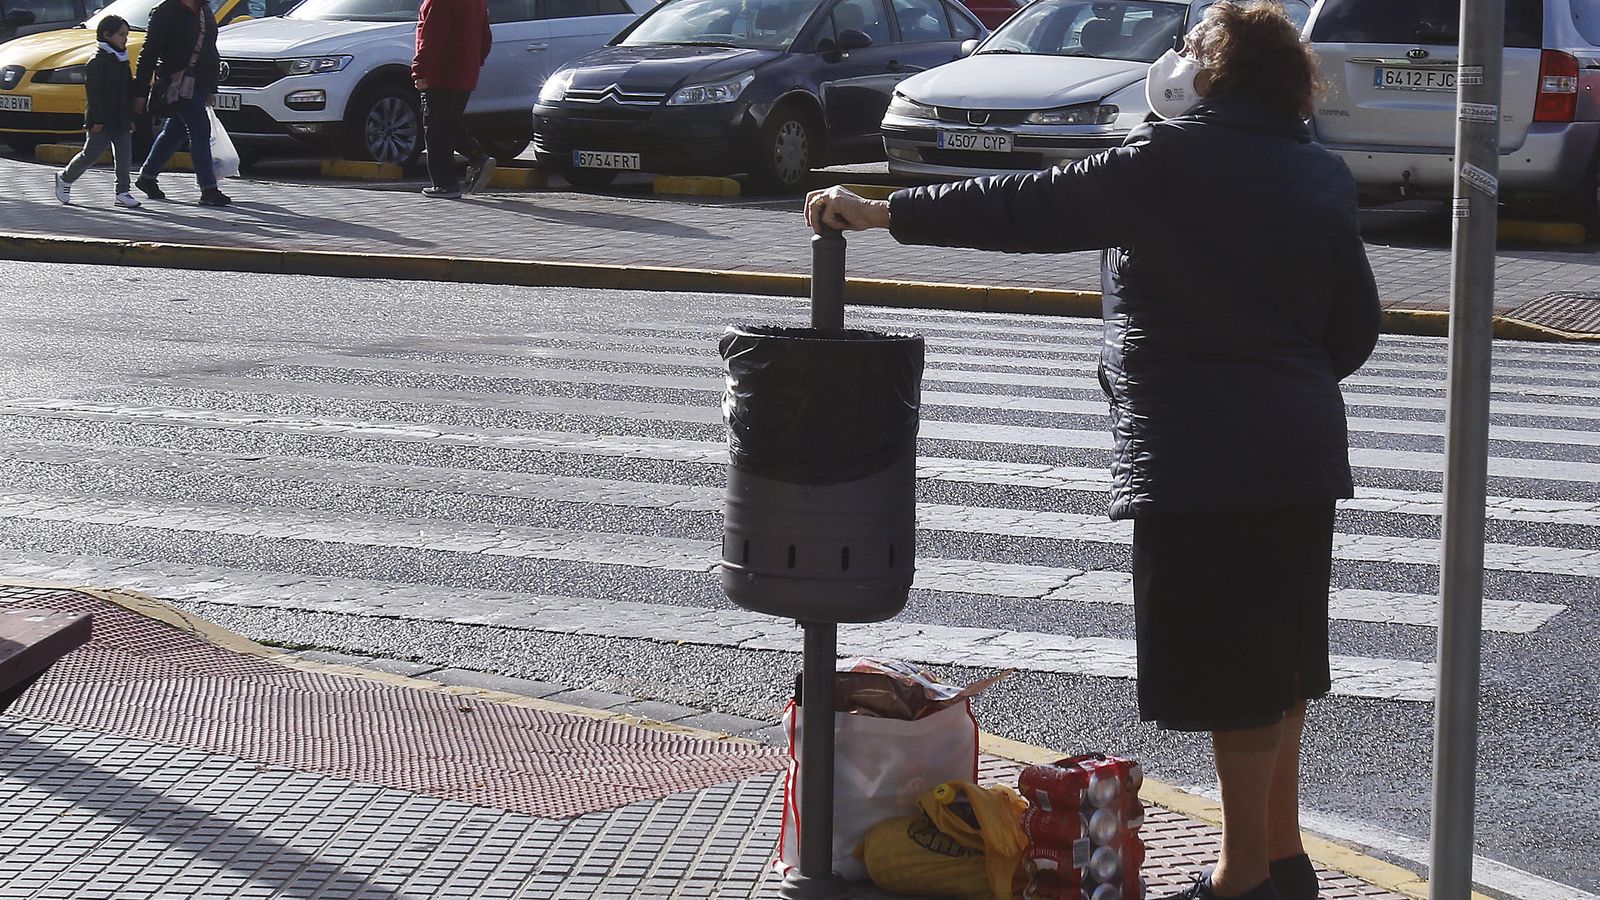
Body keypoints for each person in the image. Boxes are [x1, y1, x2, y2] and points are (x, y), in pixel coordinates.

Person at [805, 3, 1381, 899]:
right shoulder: (1322, 173)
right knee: (1284, 661)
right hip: (1298, 450)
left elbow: (1026, 206)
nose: (1174, 60)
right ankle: (1282, 860)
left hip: (1201, 452)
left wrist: (879, 213)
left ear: (1210, 71)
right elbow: (1356, 328)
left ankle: (1241, 880)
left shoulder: (1170, 160)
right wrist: (1285, 386)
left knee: (1236, 674)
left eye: (1189, 47)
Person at [131, 0, 229, 207]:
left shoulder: (203, 10)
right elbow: (148, 53)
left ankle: (147, 177)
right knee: (200, 129)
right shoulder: (165, 12)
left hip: (200, 82)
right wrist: (140, 92)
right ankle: (208, 188)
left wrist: (212, 87)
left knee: (175, 131)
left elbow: (210, 49)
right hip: (177, 83)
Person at [54, 15, 141, 209]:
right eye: (121, 35)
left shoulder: (122, 60)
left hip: (121, 118)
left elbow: (126, 91)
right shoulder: (97, 61)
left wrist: (130, 117)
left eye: (126, 34)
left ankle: (122, 191)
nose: (125, 39)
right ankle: (65, 177)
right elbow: (94, 95)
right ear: (106, 35)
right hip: (102, 119)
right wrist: (98, 120)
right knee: (90, 155)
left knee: (124, 155)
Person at [412, 0, 496, 199]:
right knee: (449, 122)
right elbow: (485, 37)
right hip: (465, 72)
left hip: (441, 73)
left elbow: (432, 36)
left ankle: (444, 184)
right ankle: (478, 157)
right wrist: (475, 60)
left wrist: (419, 70)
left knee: (435, 129)